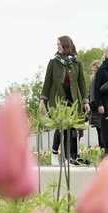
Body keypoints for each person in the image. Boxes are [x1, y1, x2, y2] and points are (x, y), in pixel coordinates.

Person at [39, 35, 90, 165]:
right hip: (57, 99)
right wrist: (42, 100)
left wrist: (85, 101)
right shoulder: (53, 62)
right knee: (60, 126)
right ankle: (55, 153)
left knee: (70, 127)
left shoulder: (77, 63)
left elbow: (82, 83)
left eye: (60, 44)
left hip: (73, 99)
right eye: (57, 45)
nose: (58, 47)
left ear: (67, 45)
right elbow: (47, 81)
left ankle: (67, 157)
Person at [88, 59, 104, 149]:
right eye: (93, 70)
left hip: (99, 106)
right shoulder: (93, 79)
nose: (94, 72)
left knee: (102, 133)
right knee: (99, 132)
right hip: (94, 108)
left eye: (95, 70)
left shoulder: (100, 79)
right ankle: (102, 153)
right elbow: (90, 93)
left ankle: (105, 154)